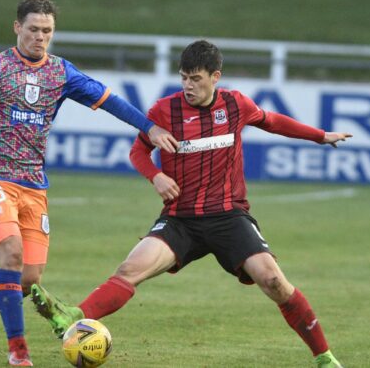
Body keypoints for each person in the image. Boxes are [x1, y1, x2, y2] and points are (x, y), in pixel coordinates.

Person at [30, 40, 350, 367]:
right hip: (181, 219)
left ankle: (324, 357)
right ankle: (73, 317)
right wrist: (155, 175)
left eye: (196, 78)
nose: (188, 85)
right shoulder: (163, 111)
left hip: (229, 217)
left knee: (273, 281)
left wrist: (320, 135)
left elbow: (272, 121)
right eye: (184, 77)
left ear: (215, 77)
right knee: (129, 270)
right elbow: (138, 151)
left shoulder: (236, 105)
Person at [0, 0, 178, 366]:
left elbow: (110, 101)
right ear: (17, 27)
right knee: (12, 255)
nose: (40, 37)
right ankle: (19, 352)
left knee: (28, 279)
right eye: (33, 29)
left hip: (34, 185)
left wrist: (149, 127)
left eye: (46, 31)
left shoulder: (62, 73)